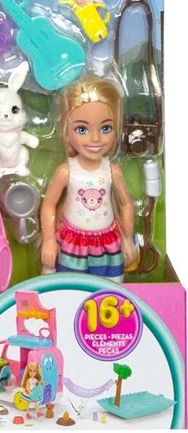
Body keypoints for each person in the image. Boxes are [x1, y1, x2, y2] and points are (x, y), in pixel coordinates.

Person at [40, 76, 136, 281]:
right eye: (82, 129)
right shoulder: (66, 171)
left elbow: (126, 204)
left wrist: (127, 239)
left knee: (110, 289)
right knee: (69, 286)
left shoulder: (113, 171)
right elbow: (48, 204)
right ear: (66, 129)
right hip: (73, 243)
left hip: (107, 243)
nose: (95, 139)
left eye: (105, 128)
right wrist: (48, 240)